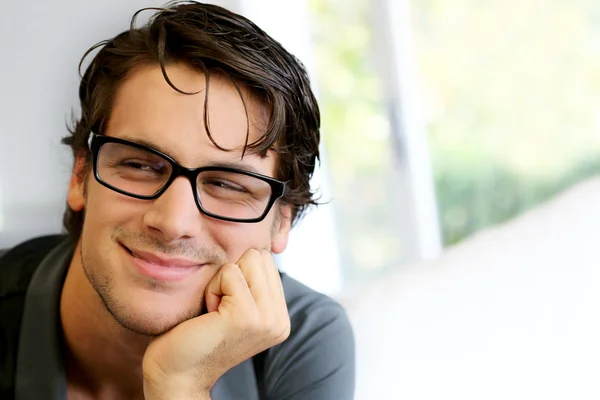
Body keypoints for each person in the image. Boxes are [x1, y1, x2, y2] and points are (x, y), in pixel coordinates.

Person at [0, 2, 355, 399]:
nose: (173, 223)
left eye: (229, 185)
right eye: (139, 164)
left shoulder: (303, 341)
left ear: (282, 222)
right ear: (80, 175)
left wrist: (179, 385)